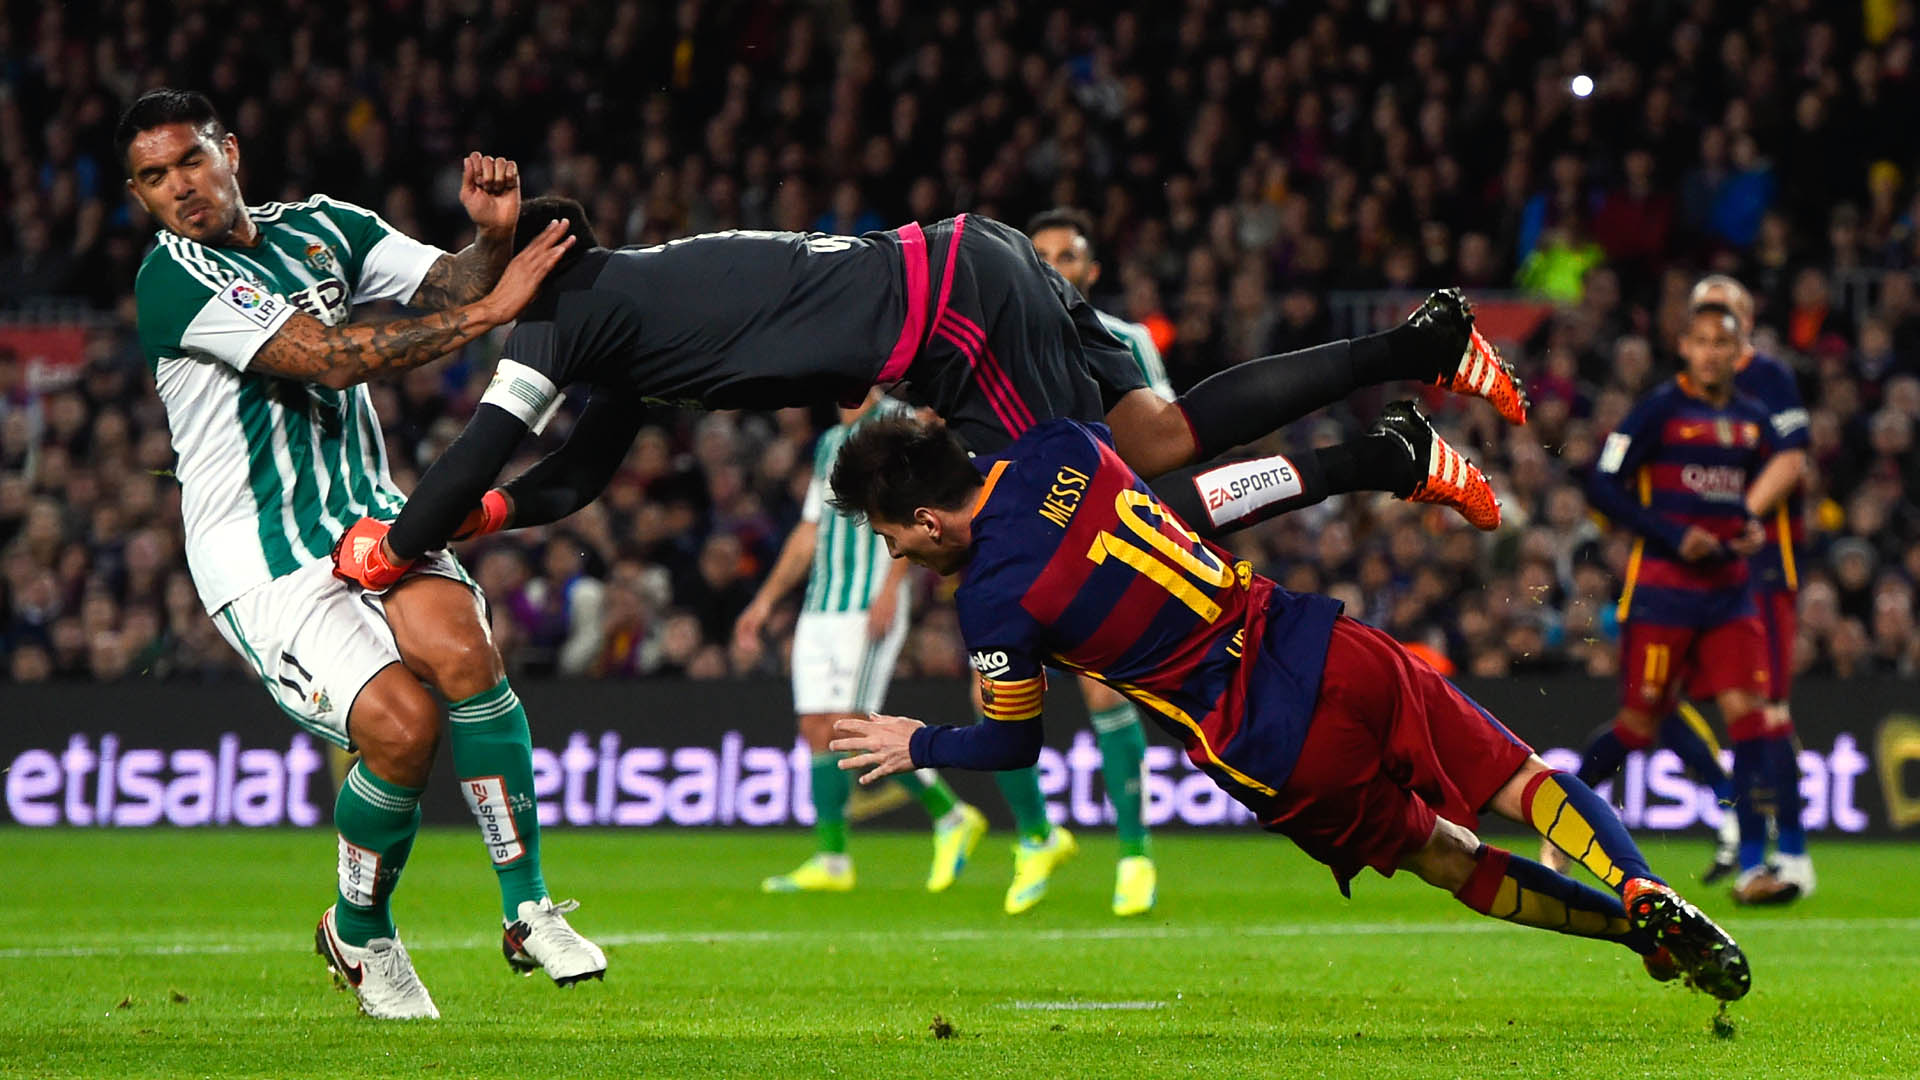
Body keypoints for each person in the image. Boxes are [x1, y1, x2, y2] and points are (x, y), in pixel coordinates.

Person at [820, 413, 1750, 1003]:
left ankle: (1633, 934)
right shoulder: (1065, 443)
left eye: (892, 534)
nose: (897, 553)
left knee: (1444, 855)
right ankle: (1640, 887)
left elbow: (1015, 741)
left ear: (931, 521)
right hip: (1314, 643)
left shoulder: (989, 600)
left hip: (1261, 739)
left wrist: (922, 741)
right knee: (1519, 780)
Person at [328, 196, 1518, 593]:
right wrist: (483, 526)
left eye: (477, 277)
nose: (470, 300)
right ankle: (1414, 352)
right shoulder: (617, 318)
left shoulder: (557, 317)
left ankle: (1384, 456)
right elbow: (578, 475)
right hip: (970, 273)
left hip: (956, 313)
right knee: (1157, 432)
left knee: (1114, 519)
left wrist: (403, 540)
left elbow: (474, 457)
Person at [119, 88, 603, 1020]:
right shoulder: (170, 279)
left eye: (188, 161)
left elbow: (456, 286)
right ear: (140, 197)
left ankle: (527, 907)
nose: (177, 188)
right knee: (401, 730)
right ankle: (359, 928)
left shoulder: (323, 228)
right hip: (263, 557)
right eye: (152, 178)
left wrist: (494, 243)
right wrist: (492, 310)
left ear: (229, 152)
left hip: (364, 516)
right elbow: (328, 357)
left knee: (466, 654)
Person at [1571, 298, 1796, 906]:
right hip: (1663, 594)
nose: (1712, 353)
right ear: (1685, 348)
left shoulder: (1754, 420)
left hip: (1730, 594)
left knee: (1748, 717)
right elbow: (1602, 482)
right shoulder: (1658, 412)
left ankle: (1754, 865)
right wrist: (1672, 534)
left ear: (1737, 351)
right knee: (1638, 725)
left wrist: (1750, 528)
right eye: (1701, 342)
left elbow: (1751, 501)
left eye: (1723, 344)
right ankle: (1561, 814)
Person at [732, 391, 988, 893]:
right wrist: (764, 601)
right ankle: (833, 861)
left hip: (867, 602)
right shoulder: (830, 443)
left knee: (851, 722)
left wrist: (894, 588)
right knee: (815, 726)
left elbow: (917, 509)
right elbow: (810, 531)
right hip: (821, 605)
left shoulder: (897, 421)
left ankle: (950, 815)